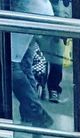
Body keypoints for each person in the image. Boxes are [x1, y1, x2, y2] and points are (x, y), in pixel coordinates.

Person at [9, 0, 54, 128]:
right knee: (24, 66)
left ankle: (38, 114)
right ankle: (29, 115)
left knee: (11, 66)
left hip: (26, 13)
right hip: (35, 12)